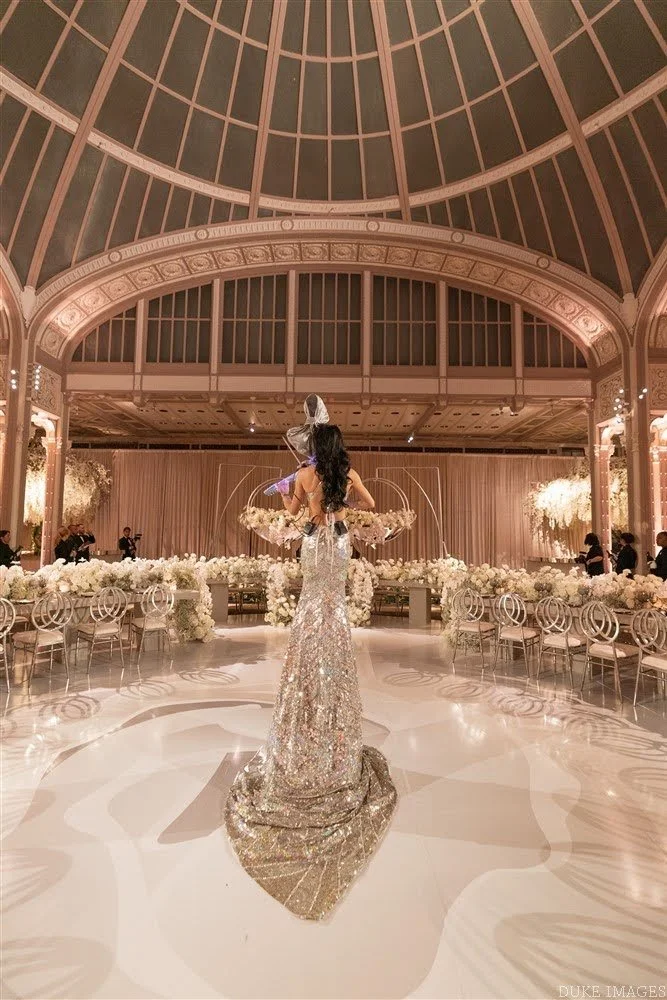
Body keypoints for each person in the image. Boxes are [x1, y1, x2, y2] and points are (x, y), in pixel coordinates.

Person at [225, 422, 397, 920]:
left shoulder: (302, 476)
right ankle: (334, 682)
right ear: (338, 450)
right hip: (339, 545)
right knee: (334, 611)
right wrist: (342, 507)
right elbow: (366, 505)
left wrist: (294, 501)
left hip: (313, 545)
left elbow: (291, 515)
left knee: (311, 611)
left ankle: (307, 686)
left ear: (311, 449)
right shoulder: (349, 472)